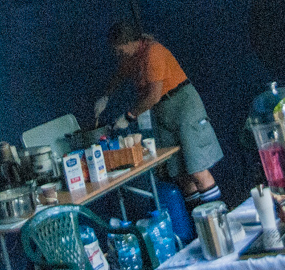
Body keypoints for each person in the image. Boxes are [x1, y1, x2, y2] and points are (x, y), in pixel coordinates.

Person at [96, 22, 224, 207]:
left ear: (130, 42)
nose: (118, 54)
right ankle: (198, 218)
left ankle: (218, 217)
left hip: (183, 105)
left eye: (120, 50)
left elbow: (153, 96)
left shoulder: (153, 52)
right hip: (163, 112)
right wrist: (106, 96)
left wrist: (129, 116)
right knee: (180, 173)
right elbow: (119, 75)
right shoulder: (131, 56)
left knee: (197, 169)